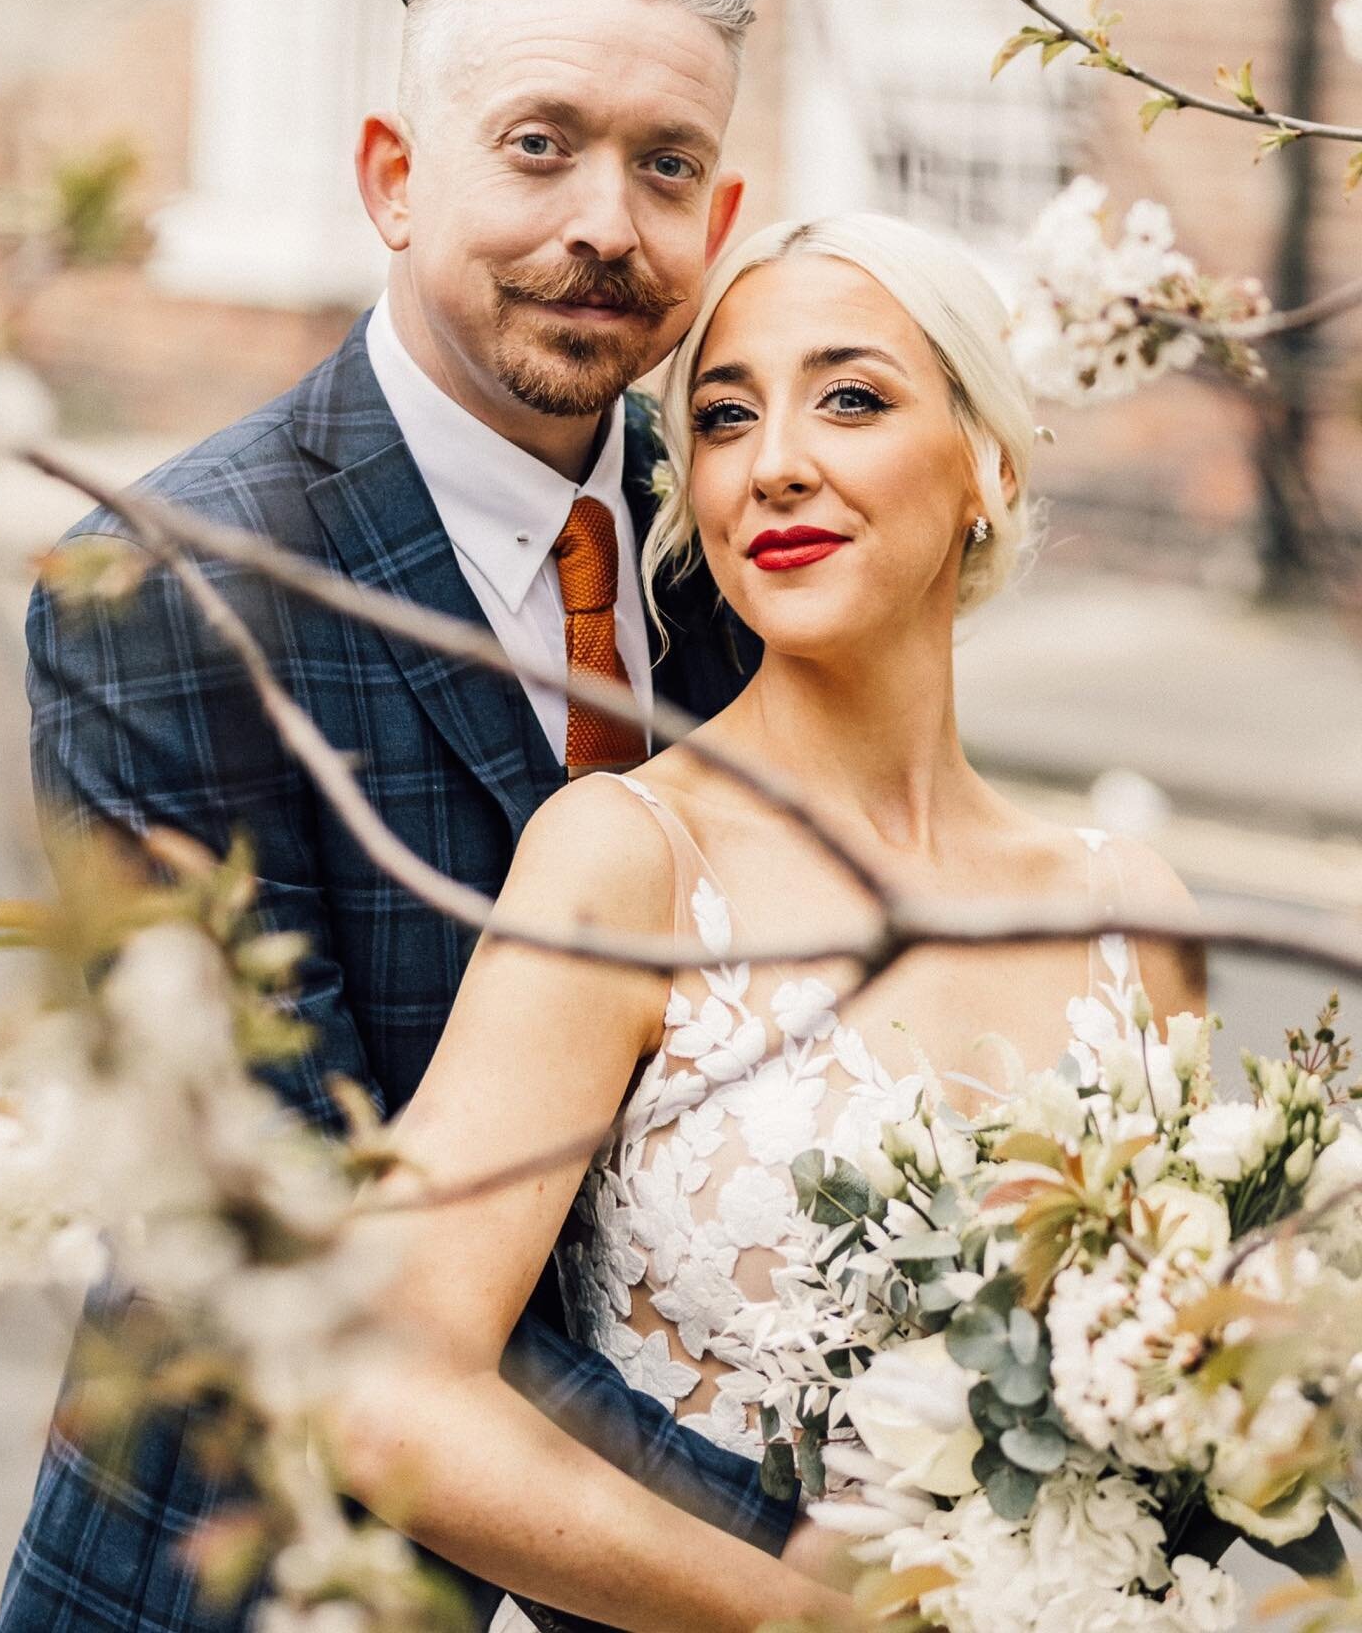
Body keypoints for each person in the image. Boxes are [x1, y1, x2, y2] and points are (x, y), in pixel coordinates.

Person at [0, 0, 823, 1633]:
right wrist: (789, 1549)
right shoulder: (168, 589)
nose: (608, 218)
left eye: (666, 165)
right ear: (392, 174)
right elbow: (287, 1240)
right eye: (539, 142)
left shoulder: (752, 554)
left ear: (724, 205)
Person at [344, 212, 1206, 1631]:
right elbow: (381, 1392)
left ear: (990, 459)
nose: (776, 461)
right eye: (726, 419)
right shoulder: (631, 860)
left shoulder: (1131, 913)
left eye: (852, 398)